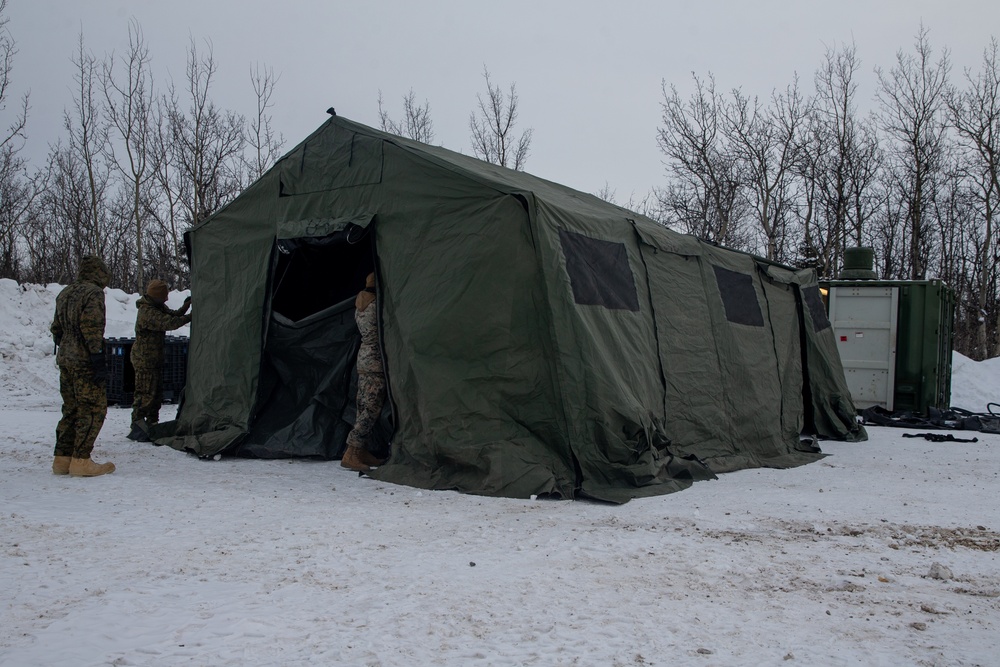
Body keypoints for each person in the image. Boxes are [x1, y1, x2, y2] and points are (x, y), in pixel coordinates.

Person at [50, 254, 116, 477]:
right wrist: (97, 358)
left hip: (66, 358)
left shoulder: (65, 292)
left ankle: (62, 459)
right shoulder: (92, 293)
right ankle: (81, 460)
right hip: (85, 359)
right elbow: (92, 327)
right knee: (93, 408)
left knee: (71, 408)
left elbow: (56, 329)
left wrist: (66, 347)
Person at [127, 279, 192, 442]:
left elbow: (173, 314)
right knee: (145, 394)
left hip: (154, 358)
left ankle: (152, 423)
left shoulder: (156, 307)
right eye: (164, 297)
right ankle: (137, 425)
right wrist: (191, 316)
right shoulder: (147, 312)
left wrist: (185, 307)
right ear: (156, 297)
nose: (166, 300)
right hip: (144, 360)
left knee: (155, 394)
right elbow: (170, 323)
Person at [341, 272, 389, 472]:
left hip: (364, 359)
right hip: (375, 362)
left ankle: (361, 451)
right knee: (370, 410)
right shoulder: (377, 305)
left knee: (363, 406)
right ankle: (352, 452)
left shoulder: (360, 304)